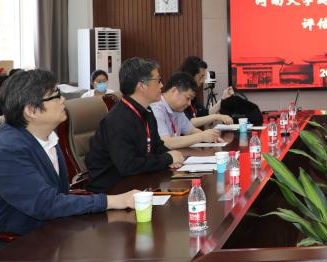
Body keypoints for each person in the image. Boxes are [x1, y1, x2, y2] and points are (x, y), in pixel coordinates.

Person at [0, 70, 139, 260]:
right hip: (9, 255)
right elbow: (46, 204)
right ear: (31, 110)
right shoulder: (7, 150)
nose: (63, 101)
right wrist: (114, 201)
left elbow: (59, 195)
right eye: (55, 96)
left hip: (47, 240)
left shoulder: (46, 136)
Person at [86, 57, 185, 193]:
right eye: (158, 80)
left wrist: (170, 155)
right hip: (112, 191)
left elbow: (156, 146)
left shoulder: (147, 111)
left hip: (138, 183)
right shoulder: (118, 120)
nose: (162, 85)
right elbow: (128, 165)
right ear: (141, 85)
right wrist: (168, 158)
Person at [150, 72, 224, 150]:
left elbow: (191, 130)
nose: (189, 103)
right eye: (188, 98)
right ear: (174, 91)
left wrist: (211, 136)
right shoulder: (156, 109)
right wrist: (202, 136)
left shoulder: (177, 109)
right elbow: (166, 143)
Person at [177, 56, 234, 127]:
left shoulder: (192, 95)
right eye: (200, 77)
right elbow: (187, 122)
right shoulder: (179, 94)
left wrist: (223, 99)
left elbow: (206, 113)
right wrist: (216, 117)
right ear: (190, 76)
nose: (202, 81)